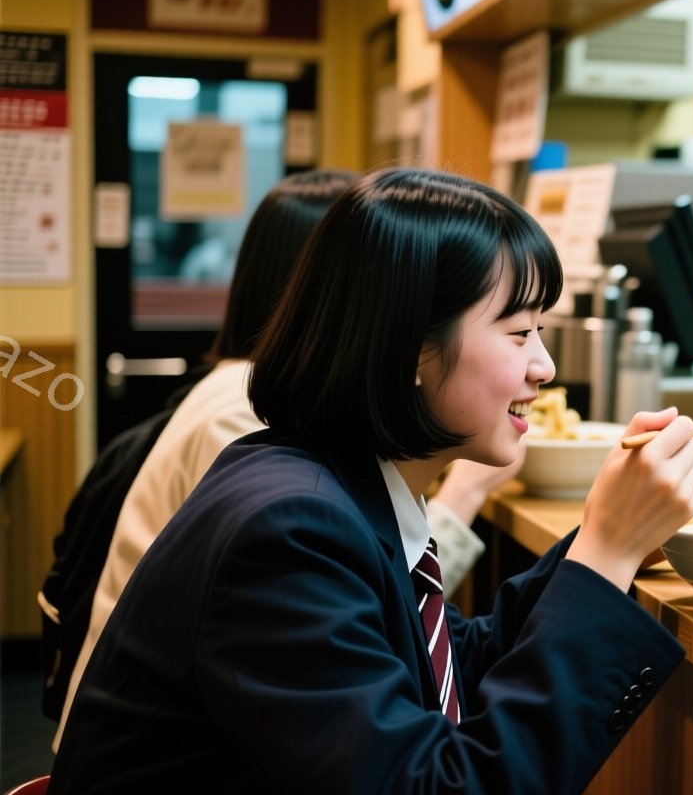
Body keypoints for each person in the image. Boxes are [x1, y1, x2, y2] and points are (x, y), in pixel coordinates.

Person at [53, 169, 693, 792]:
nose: (545, 364)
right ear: (411, 350)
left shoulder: (341, 477)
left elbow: (446, 663)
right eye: (520, 332)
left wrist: (606, 538)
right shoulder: (288, 531)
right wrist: (604, 553)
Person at [52, 170, 521, 748]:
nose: (542, 365)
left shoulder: (313, 445)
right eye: (520, 332)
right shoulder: (266, 457)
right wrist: (471, 493)